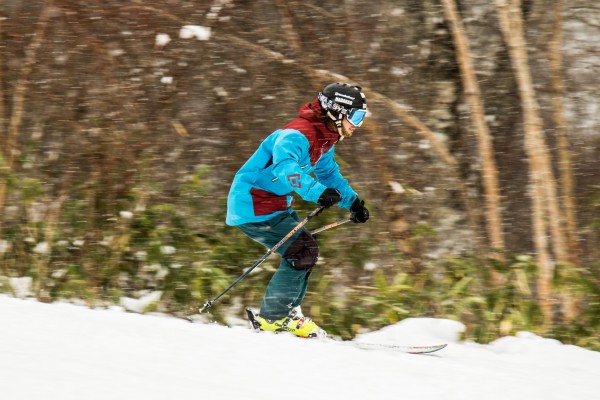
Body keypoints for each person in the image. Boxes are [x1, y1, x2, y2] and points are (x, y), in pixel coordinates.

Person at [225, 82, 370, 338]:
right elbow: (285, 169)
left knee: (305, 250)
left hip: (272, 202)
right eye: (356, 117)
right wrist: (316, 193)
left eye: (362, 118)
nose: (357, 125)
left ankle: (286, 312)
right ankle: (274, 318)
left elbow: (328, 174)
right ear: (337, 112)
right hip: (252, 202)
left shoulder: (325, 137)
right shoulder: (296, 135)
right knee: (301, 251)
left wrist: (353, 202)